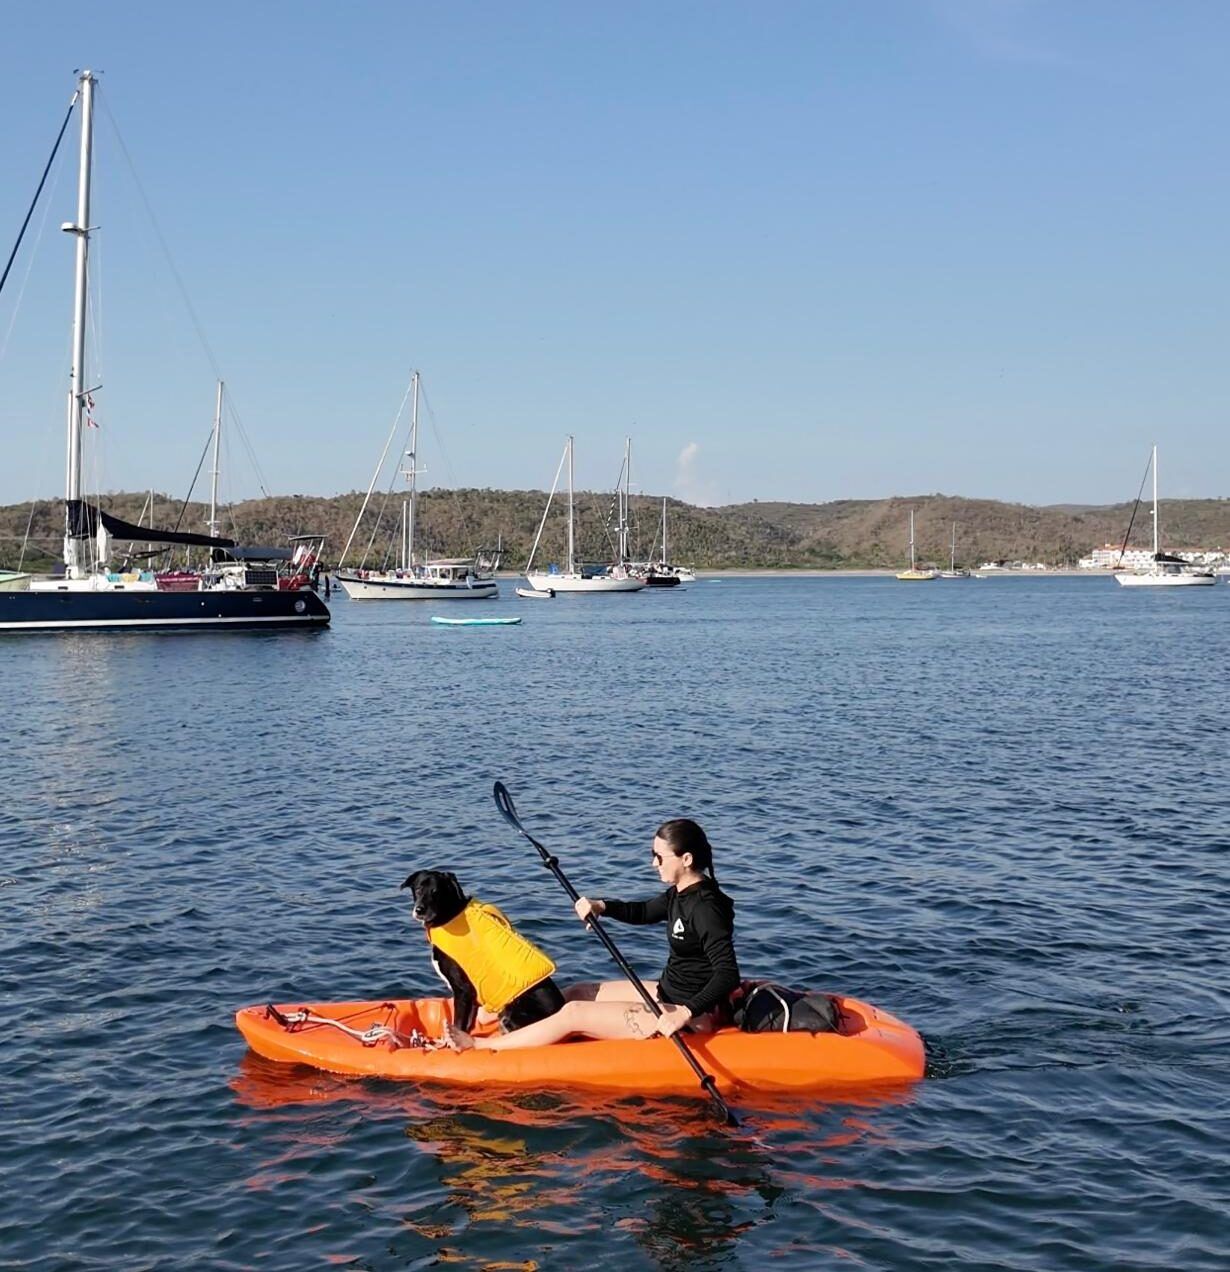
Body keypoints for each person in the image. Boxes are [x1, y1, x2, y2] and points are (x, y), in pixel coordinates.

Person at [442, 818, 739, 1052]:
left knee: (573, 1013)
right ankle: (504, 1022)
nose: (653, 863)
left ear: (685, 859)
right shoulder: (681, 893)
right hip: (668, 992)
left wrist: (684, 1014)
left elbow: (728, 974)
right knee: (576, 992)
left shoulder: (706, 908)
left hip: (689, 1016)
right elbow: (644, 911)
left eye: (659, 857)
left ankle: (481, 1045)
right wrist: (602, 906)